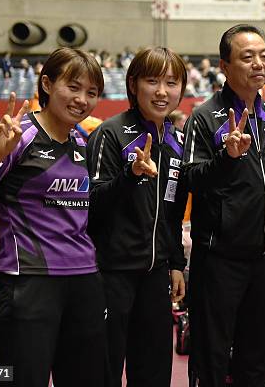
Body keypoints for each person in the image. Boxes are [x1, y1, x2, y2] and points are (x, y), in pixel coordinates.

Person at [0, 47, 107, 387]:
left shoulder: (83, 140)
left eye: (92, 92)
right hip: (28, 282)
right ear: (47, 84)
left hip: (85, 281)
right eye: (73, 87)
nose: (82, 99)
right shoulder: (17, 135)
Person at [182, 23, 265, 387]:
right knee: (212, 357)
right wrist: (227, 157)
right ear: (225, 66)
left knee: (258, 359)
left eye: (264, 56)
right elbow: (190, 178)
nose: (258, 63)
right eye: (247, 57)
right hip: (220, 258)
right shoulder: (205, 116)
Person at [86, 47, 188, 387]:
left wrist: (175, 262)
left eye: (172, 82)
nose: (162, 91)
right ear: (133, 84)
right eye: (152, 81)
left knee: (154, 370)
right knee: (105, 370)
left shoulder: (175, 141)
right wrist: (129, 176)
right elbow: (92, 202)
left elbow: (172, 212)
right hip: (112, 273)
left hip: (155, 275)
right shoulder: (110, 133)